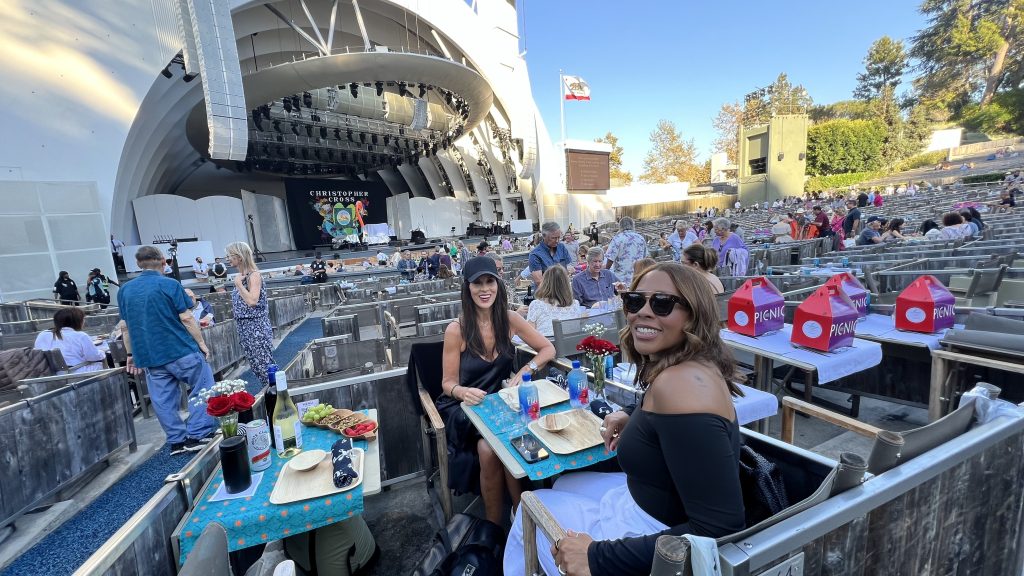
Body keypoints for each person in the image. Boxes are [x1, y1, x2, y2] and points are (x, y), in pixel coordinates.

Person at [504, 262, 746, 576]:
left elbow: (721, 527)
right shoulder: (690, 365)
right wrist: (634, 415)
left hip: (654, 527)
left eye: (662, 303)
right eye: (635, 301)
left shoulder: (682, 385)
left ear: (694, 314)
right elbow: (676, 424)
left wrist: (596, 556)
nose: (642, 312)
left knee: (530, 504)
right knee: (566, 480)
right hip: (646, 494)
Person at [438, 257, 555, 524]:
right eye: (477, 283)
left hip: (502, 402)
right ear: (467, 288)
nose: (484, 289)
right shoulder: (456, 330)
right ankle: (511, 519)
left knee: (494, 447)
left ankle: (513, 519)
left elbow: (548, 349)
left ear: (498, 285)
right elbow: (447, 383)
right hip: (467, 408)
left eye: (489, 281)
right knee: (494, 445)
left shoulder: (510, 319)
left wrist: (527, 370)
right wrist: (462, 391)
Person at [118, 246, 216, 454]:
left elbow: (125, 326)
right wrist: (201, 343)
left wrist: (130, 354)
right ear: (163, 261)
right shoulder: (169, 284)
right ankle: (198, 433)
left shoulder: (125, 290)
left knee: (162, 400)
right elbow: (187, 317)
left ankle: (177, 440)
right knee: (203, 386)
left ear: (137, 264)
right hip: (180, 349)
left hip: (150, 355)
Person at [226, 242, 275, 392]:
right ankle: (270, 395)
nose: (228, 258)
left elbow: (252, 301)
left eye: (230, 255)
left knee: (264, 365)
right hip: (245, 328)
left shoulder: (254, 275)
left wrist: (239, 285)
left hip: (256, 327)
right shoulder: (241, 276)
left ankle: (278, 395)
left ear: (239, 257)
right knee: (256, 366)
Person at [34, 307, 105, 373]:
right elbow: (93, 357)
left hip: (51, 373)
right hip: (74, 372)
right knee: (102, 364)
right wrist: (102, 352)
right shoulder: (81, 336)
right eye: (83, 319)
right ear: (77, 321)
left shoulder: (43, 334)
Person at [527, 267, 584, 337]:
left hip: (545, 346)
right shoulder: (575, 304)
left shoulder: (536, 305)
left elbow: (529, 335)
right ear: (566, 283)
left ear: (545, 283)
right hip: (570, 346)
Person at [605, 217, 649, 286]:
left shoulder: (617, 238)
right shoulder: (640, 238)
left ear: (620, 226)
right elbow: (646, 257)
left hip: (621, 279)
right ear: (632, 225)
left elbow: (610, 259)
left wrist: (605, 272)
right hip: (638, 278)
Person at [529, 222, 574, 286]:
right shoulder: (535, 254)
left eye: (559, 237)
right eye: (554, 238)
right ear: (544, 236)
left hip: (563, 290)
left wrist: (570, 270)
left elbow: (569, 267)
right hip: (546, 294)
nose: (557, 240)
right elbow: (539, 281)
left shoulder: (561, 247)